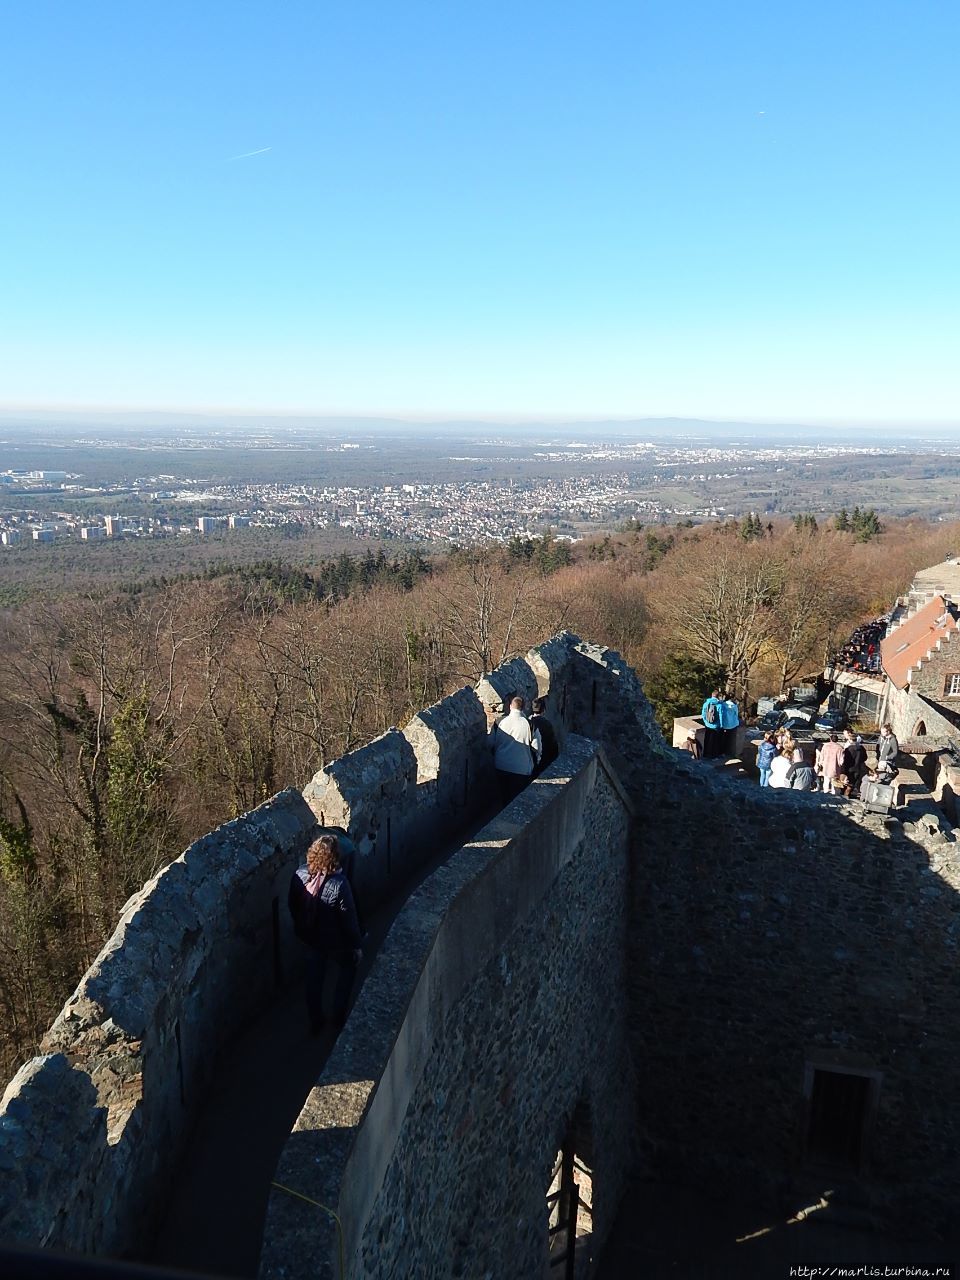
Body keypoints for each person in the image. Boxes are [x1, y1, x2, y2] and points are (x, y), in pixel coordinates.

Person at [289, 833, 363, 1034]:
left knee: (314, 978)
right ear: (335, 857)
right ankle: (337, 1017)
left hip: (311, 937)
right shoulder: (339, 883)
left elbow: (292, 905)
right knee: (348, 968)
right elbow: (349, 919)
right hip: (335, 939)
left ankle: (316, 1021)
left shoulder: (300, 875)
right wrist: (356, 946)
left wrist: (303, 927)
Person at [492, 695, 541, 805]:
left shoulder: (499, 722)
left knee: (504, 798)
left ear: (510, 707)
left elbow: (490, 743)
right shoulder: (530, 725)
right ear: (523, 708)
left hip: (501, 765)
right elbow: (537, 748)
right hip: (521, 769)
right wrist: (534, 763)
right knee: (517, 802)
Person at [529, 697, 559, 774]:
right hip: (543, 761)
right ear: (544, 710)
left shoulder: (528, 722)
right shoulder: (547, 724)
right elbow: (553, 747)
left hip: (528, 762)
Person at [841, 729, 867, 795]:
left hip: (849, 769)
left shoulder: (848, 749)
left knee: (846, 784)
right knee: (852, 784)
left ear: (850, 740)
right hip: (858, 768)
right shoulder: (861, 748)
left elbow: (845, 760)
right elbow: (865, 758)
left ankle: (845, 796)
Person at [700, 690, 724, 759]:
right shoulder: (719, 705)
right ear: (718, 696)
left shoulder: (706, 703)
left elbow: (703, 714)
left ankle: (705, 754)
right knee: (715, 742)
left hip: (708, 725)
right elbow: (721, 716)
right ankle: (714, 756)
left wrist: (705, 722)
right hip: (716, 726)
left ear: (712, 695)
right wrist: (721, 725)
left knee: (707, 740)